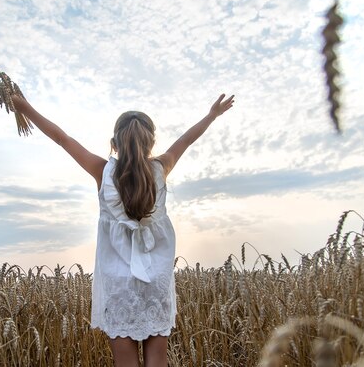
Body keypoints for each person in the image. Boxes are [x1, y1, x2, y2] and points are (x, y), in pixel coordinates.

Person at [12, 93, 235, 367]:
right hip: (156, 282)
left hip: (117, 283)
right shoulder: (161, 169)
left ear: (114, 144)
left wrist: (25, 108)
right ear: (151, 143)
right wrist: (212, 115)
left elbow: (62, 139)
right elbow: (186, 140)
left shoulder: (102, 172)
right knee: (157, 361)